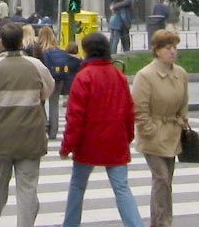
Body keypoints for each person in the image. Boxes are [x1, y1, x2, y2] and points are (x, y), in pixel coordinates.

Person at [0, 21, 54, 227]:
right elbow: (48, 89)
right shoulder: (36, 66)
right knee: (27, 188)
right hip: (30, 135)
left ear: (0, 41)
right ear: (22, 41)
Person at [59, 31, 144, 227]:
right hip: (115, 139)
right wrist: (128, 136)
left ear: (87, 51)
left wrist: (67, 146)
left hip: (88, 141)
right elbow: (129, 110)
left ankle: (70, 224)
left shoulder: (84, 77)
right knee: (122, 187)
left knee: (78, 185)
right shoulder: (118, 76)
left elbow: (75, 117)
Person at [132, 29, 189, 227]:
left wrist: (182, 119)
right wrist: (149, 130)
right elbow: (139, 108)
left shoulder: (180, 73)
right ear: (157, 51)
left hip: (172, 133)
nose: (173, 51)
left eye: (174, 47)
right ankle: (163, 222)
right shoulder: (145, 75)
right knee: (162, 178)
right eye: (168, 48)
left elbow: (184, 102)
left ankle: (158, 221)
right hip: (154, 134)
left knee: (166, 182)